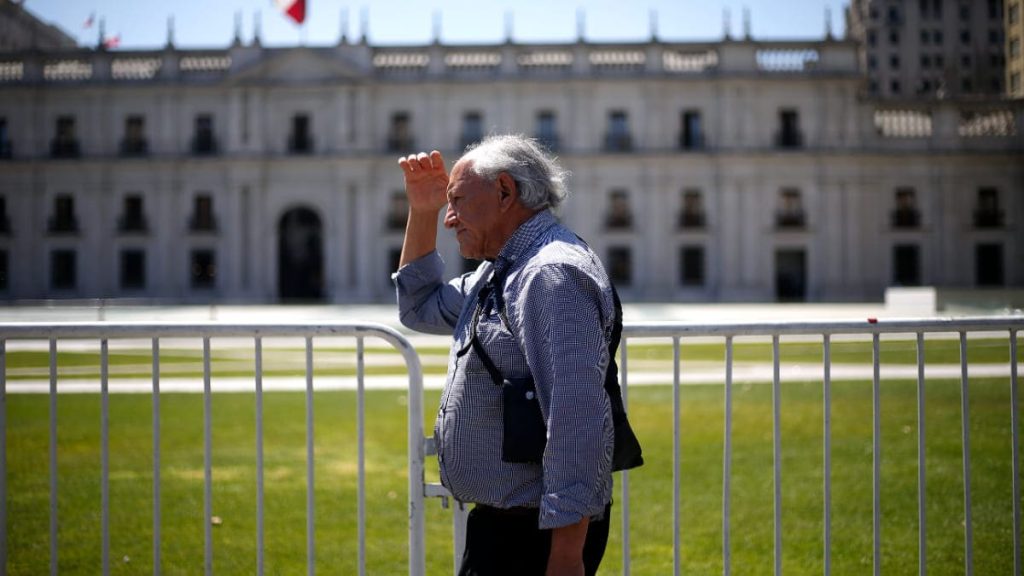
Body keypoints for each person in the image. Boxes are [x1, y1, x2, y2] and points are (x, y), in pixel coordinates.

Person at [393, 134, 616, 576]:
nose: (450, 218)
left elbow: (578, 422)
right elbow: (418, 307)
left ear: (504, 192)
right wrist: (423, 210)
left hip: (536, 537)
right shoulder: (503, 269)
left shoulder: (549, 275)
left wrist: (567, 557)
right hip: (506, 527)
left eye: (455, 201)